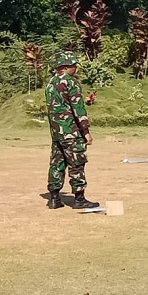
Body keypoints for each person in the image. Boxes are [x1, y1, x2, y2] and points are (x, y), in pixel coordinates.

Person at [45, 52, 99, 210]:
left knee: (57, 163)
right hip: (71, 132)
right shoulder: (71, 82)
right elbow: (78, 109)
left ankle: (54, 198)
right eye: (74, 65)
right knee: (77, 163)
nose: (76, 68)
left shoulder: (51, 83)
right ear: (66, 66)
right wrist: (86, 131)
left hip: (56, 132)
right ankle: (79, 198)